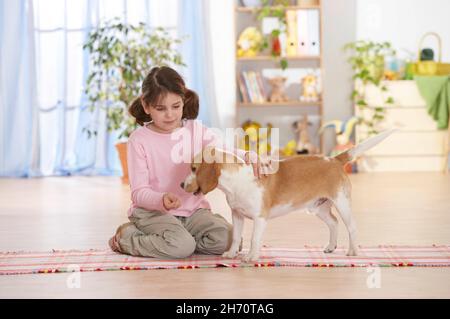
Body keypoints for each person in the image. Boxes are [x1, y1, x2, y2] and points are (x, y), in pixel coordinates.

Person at [108, 66, 264, 259]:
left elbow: (222, 152)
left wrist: (247, 155)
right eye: (160, 108)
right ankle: (127, 237)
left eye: (176, 106)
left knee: (231, 240)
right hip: (153, 213)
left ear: (183, 101)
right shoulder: (138, 140)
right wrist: (161, 199)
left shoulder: (195, 130)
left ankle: (179, 239)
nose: (170, 115)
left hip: (193, 212)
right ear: (146, 105)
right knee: (181, 247)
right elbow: (139, 192)